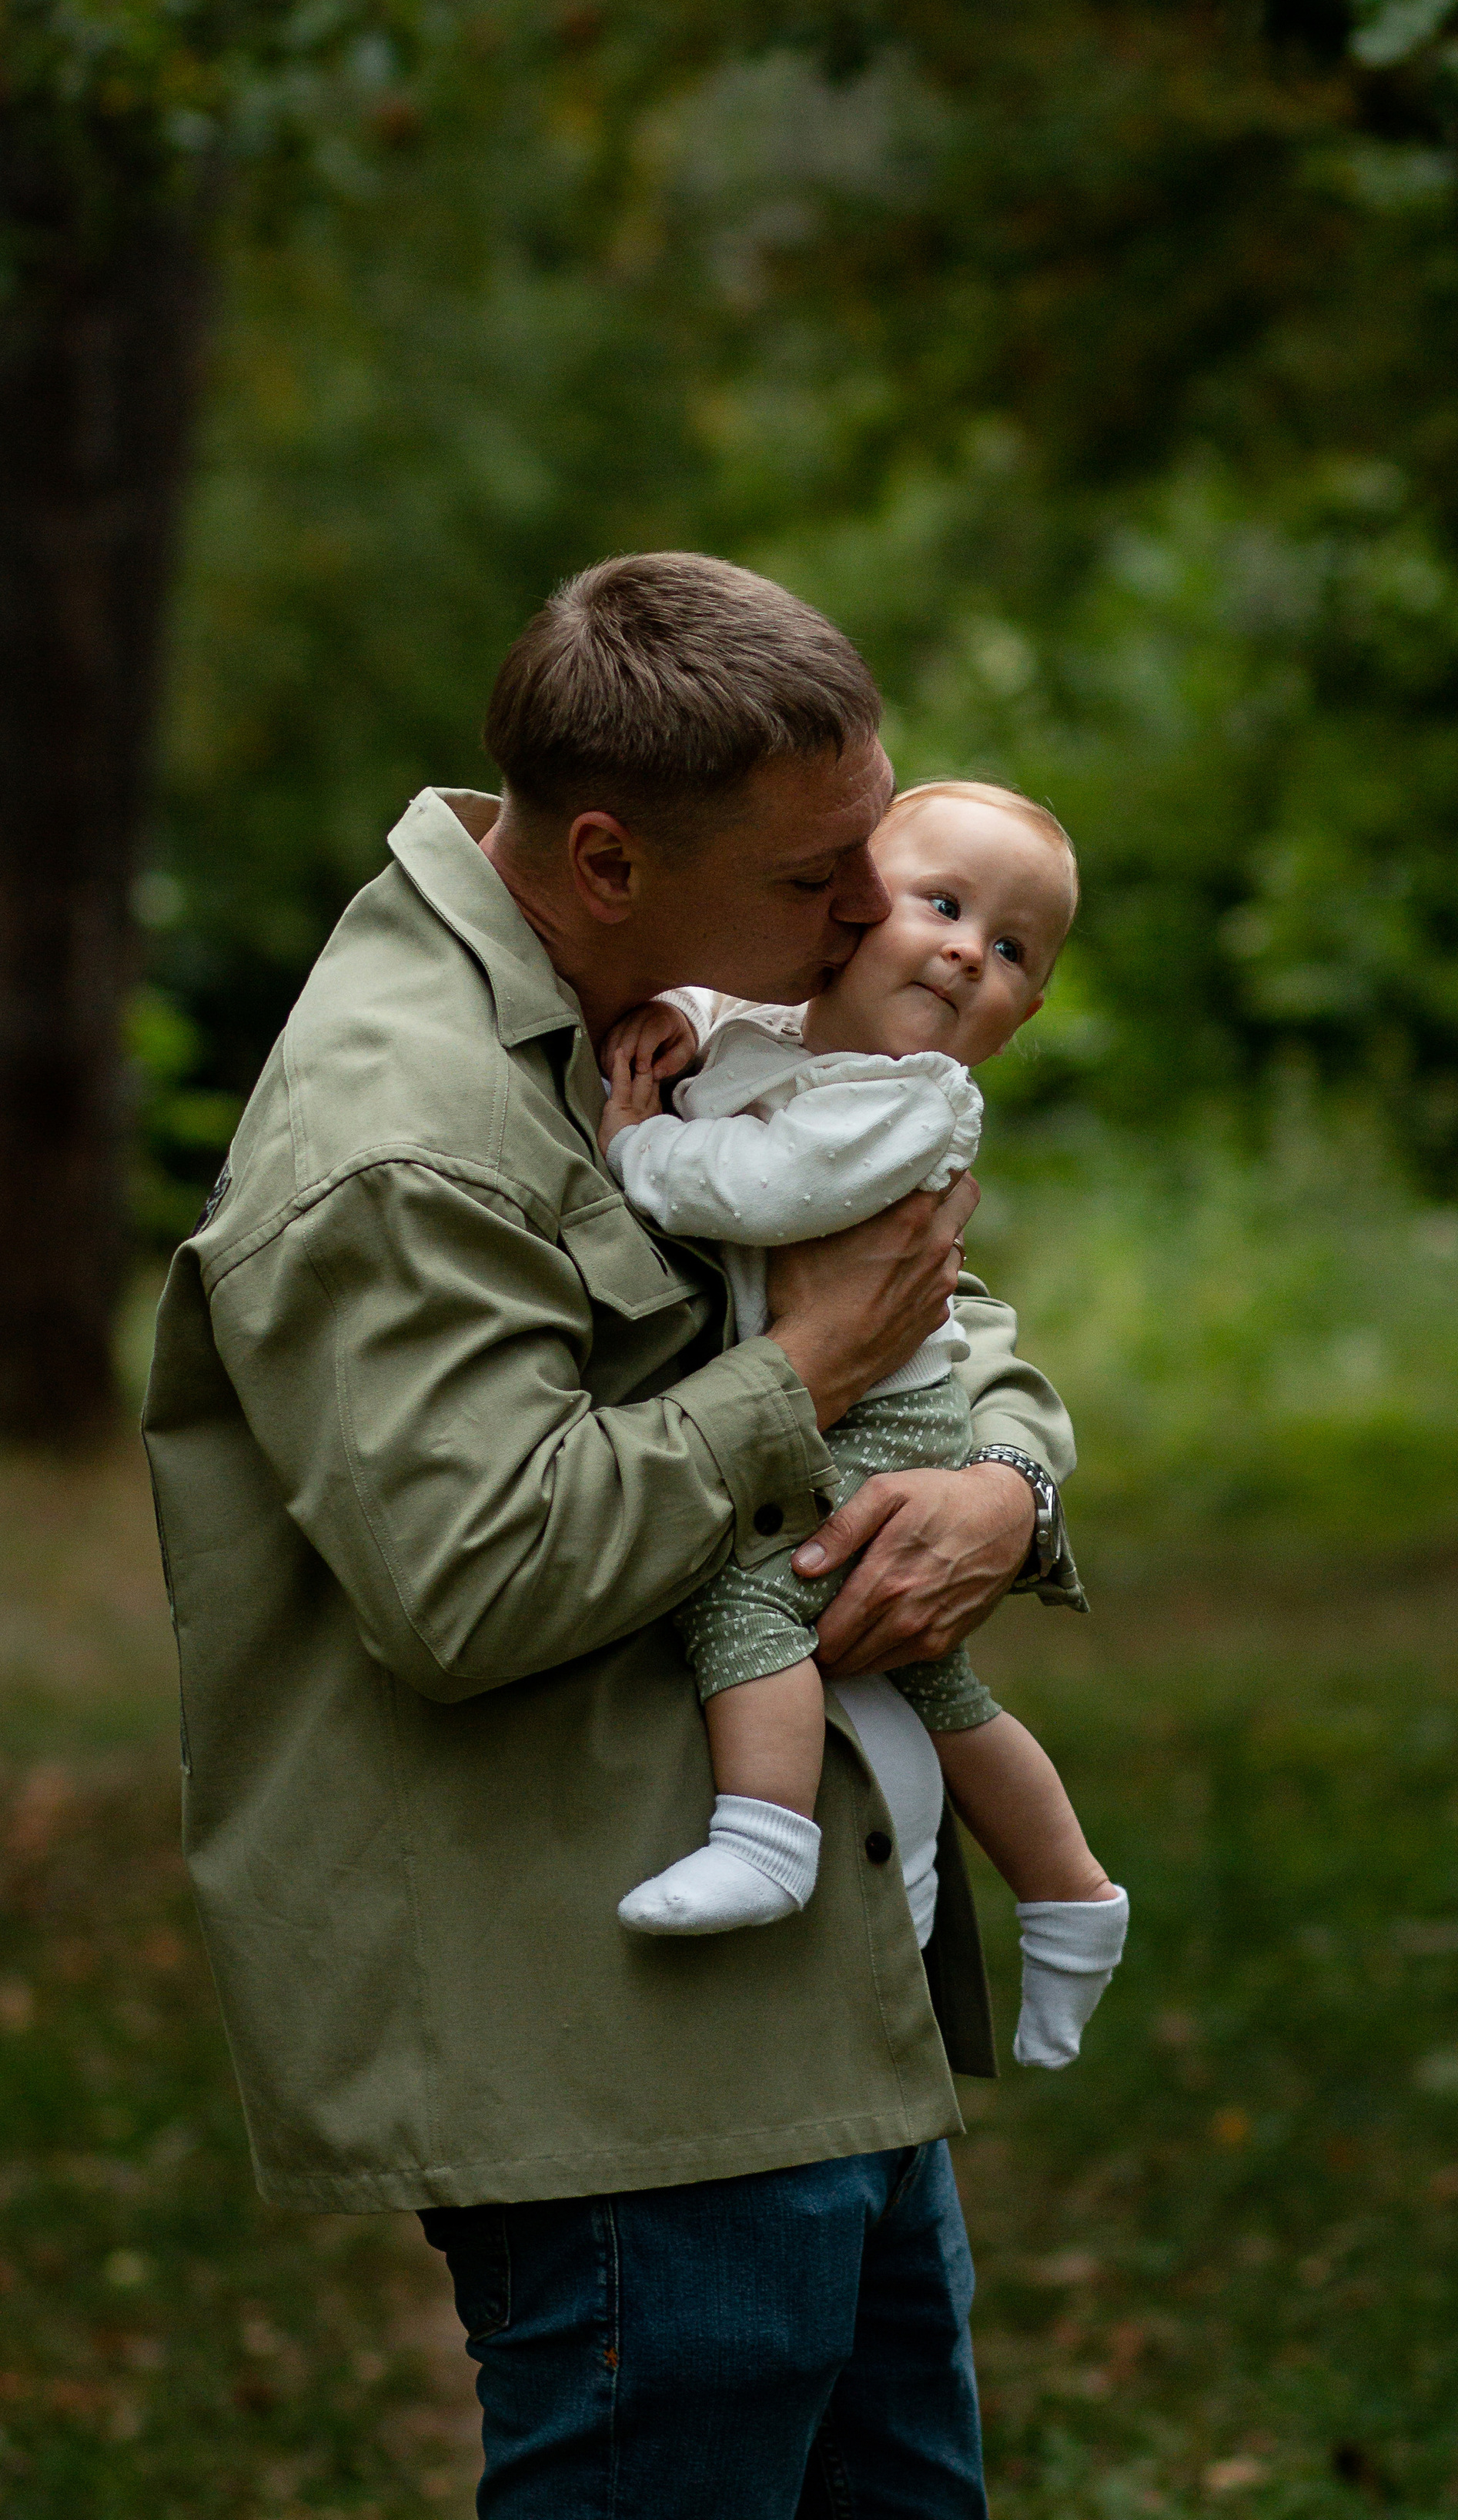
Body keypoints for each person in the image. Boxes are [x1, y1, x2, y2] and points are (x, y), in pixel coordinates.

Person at [141, 553, 1081, 2519]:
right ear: (603, 855)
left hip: (810, 1993)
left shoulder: (668, 986)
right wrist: (805, 1379)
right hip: (614, 2046)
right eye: (820, 873)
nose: (865, 912)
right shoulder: (397, 1138)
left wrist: (1003, 1476)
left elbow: (924, 1298)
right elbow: (469, 1582)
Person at [599, 780, 1129, 2072]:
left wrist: (633, 1145)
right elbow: (749, 1035)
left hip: (884, 1430)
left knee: (748, 1598)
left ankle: (766, 1841)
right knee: (944, 1685)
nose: (965, 951)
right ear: (846, 908)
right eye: (941, 905)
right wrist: (683, 1012)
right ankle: (1073, 1900)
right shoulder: (796, 1035)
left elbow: (762, 1189)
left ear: (1026, 1015)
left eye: (1010, 951)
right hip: (856, 1404)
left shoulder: (909, 1101)